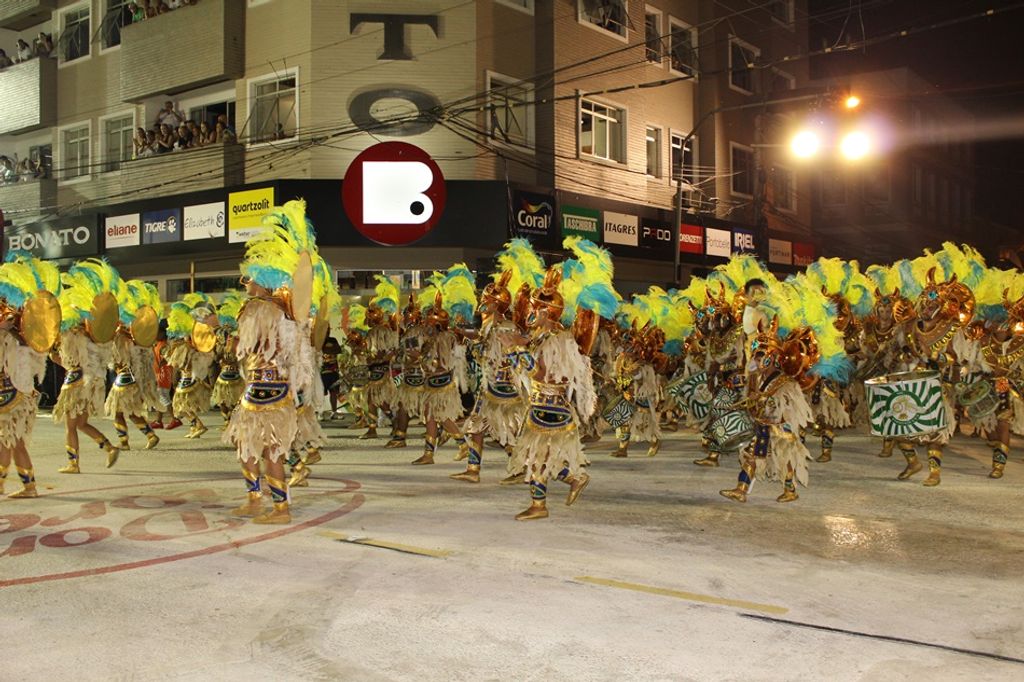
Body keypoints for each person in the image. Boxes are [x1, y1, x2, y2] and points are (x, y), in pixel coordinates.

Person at [225, 200, 321, 525]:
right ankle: (256, 499)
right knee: (249, 446)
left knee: (270, 451)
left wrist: (234, 341)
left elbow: (252, 347)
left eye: (248, 279)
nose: (246, 283)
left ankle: (280, 509)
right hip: (265, 388)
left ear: (262, 281)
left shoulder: (260, 310)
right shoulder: (283, 313)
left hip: (266, 389)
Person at [451, 239, 544, 483]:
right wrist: (465, 336)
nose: (483, 301)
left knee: (506, 431)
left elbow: (509, 351)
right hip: (489, 386)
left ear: (496, 303)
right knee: (477, 426)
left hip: (504, 388)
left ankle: (521, 467)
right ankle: (473, 470)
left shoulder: (505, 325)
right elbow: (484, 347)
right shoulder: (489, 324)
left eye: (487, 298)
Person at [52, 260, 123, 473]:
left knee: (70, 426)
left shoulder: (72, 336)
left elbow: (66, 362)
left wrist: (52, 351)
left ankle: (73, 463)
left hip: (76, 383)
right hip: (93, 381)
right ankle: (109, 447)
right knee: (81, 424)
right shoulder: (95, 337)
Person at [0, 253, 62, 498]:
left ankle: (4, 484)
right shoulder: (26, 340)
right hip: (19, 394)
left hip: (14, 394)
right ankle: (30, 487)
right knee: (15, 443)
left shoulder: (20, 340)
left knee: (7, 439)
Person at [104, 281, 162, 451]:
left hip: (126, 378)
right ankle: (150, 435)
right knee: (129, 411)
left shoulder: (123, 339)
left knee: (118, 411)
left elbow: (118, 358)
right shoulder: (135, 339)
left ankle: (125, 442)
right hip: (131, 378)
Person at [150, 322, 183, 430]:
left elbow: (169, 358)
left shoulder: (163, 346)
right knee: (161, 397)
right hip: (160, 373)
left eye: (157, 332)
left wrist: (162, 363)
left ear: (163, 333)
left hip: (163, 374)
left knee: (163, 396)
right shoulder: (158, 344)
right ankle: (159, 421)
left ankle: (175, 418)